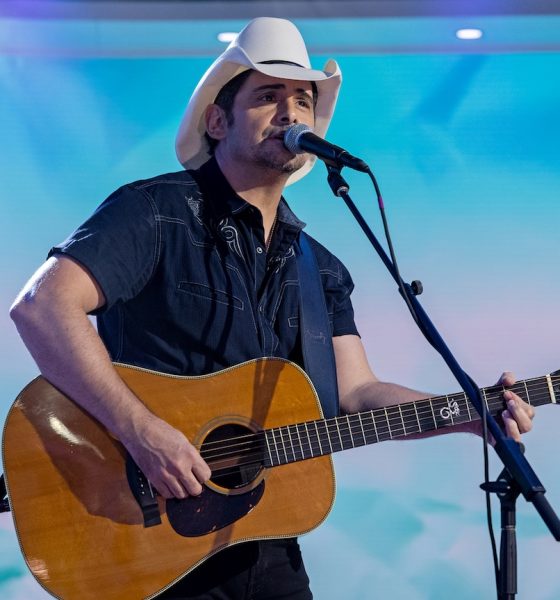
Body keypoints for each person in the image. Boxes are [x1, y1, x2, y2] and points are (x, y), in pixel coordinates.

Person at [9, 17, 534, 600]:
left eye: (303, 100)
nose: (291, 113)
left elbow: (355, 395)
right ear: (217, 120)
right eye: (267, 96)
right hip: (142, 542)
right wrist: (143, 433)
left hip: (262, 545)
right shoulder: (155, 212)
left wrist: (468, 413)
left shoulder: (320, 268)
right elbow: (41, 305)